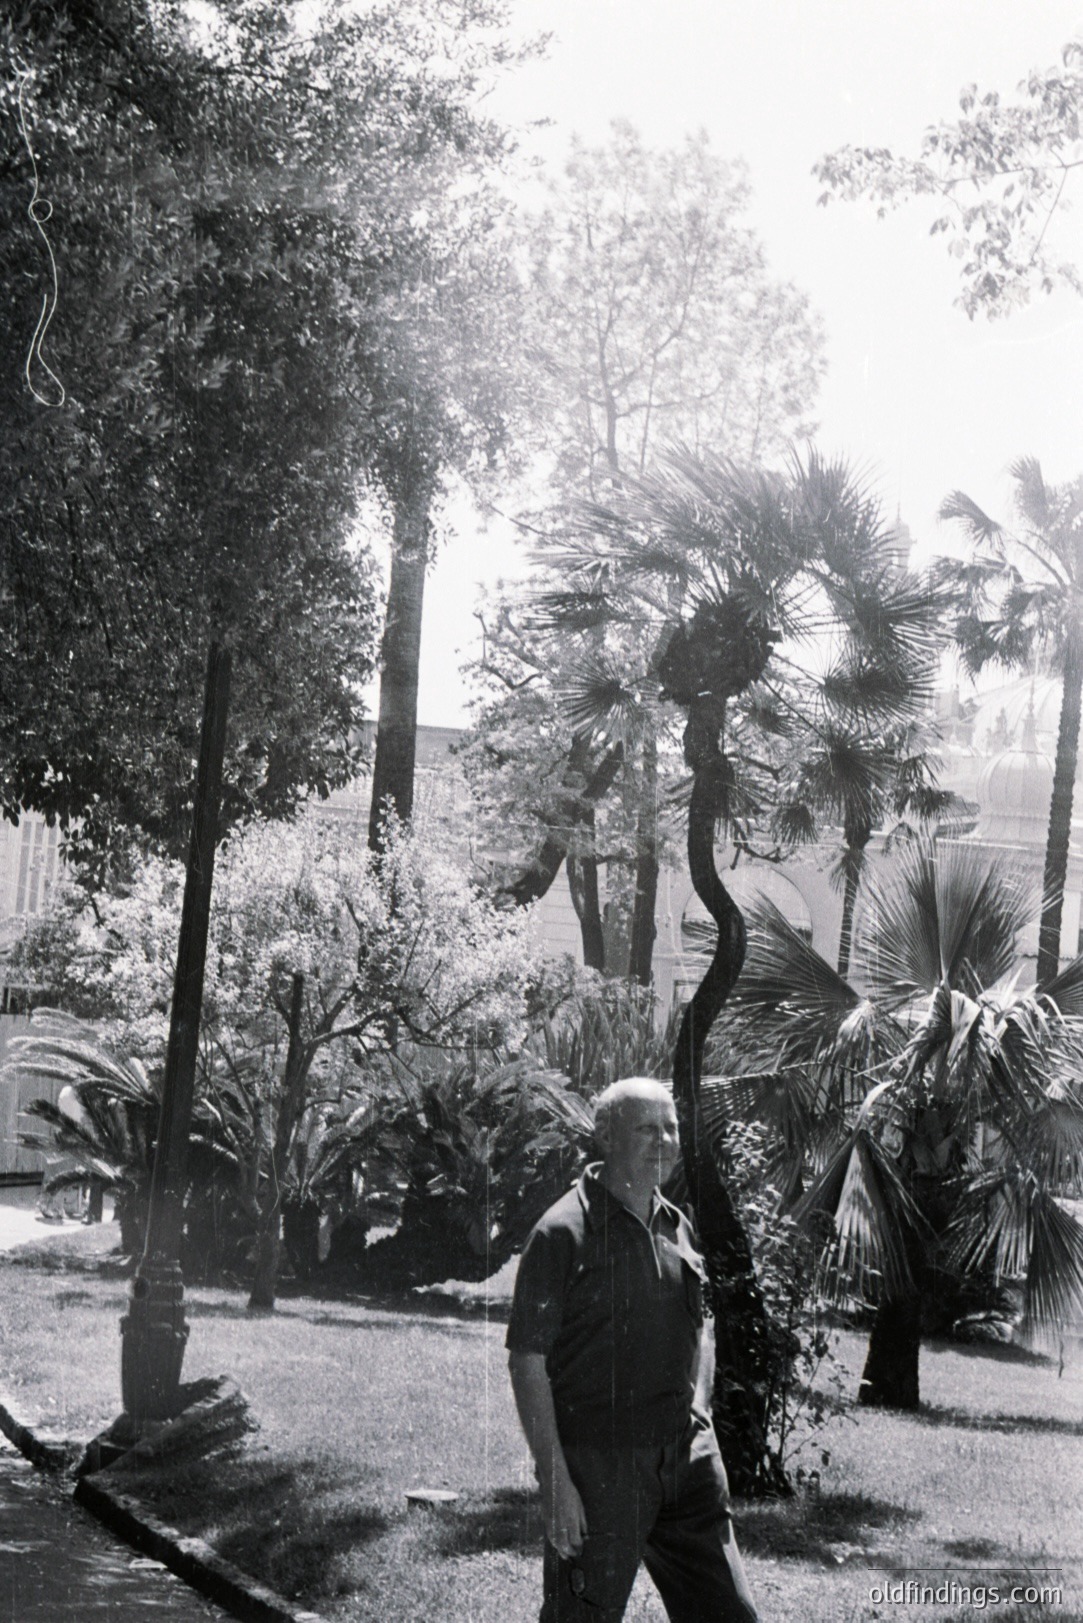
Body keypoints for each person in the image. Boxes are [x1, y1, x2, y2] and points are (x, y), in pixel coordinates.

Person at [507, 1077, 759, 1623]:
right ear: (606, 1135)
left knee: (730, 1615)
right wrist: (554, 1481)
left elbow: (703, 1322)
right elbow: (527, 1360)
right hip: (602, 1466)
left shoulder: (679, 1225)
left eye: (670, 1128)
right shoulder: (563, 1233)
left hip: (687, 1463)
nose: (663, 1142)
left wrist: (701, 1407)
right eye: (646, 1129)